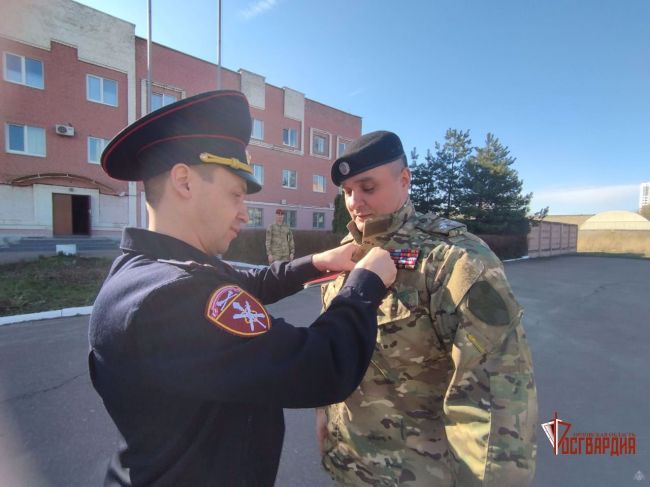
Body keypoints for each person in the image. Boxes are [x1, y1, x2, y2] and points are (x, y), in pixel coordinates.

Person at [88, 91, 398, 486]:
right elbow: (321, 366)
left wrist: (318, 262)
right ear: (184, 181)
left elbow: (242, 284)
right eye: (236, 194)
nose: (243, 213)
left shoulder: (157, 269)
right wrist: (364, 285)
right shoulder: (167, 297)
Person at [316, 131, 538, 486]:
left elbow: (496, 406)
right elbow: (336, 346)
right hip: (350, 465)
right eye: (347, 191)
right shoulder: (346, 254)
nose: (355, 202)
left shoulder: (455, 261)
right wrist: (325, 412)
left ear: (404, 180)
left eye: (367, 188)